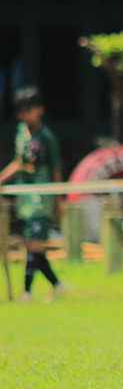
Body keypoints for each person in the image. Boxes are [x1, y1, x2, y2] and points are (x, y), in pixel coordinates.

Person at [0, 87, 67, 302]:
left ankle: (26, 292)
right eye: (21, 111)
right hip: (25, 196)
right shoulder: (21, 132)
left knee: (33, 243)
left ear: (40, 110)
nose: (25, 115)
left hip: (43, 197)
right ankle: (57, 285)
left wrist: (58, 200)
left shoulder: (47, 137)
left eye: (29, 110)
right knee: (32, 244)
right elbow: (19, 163)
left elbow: (56, 168)